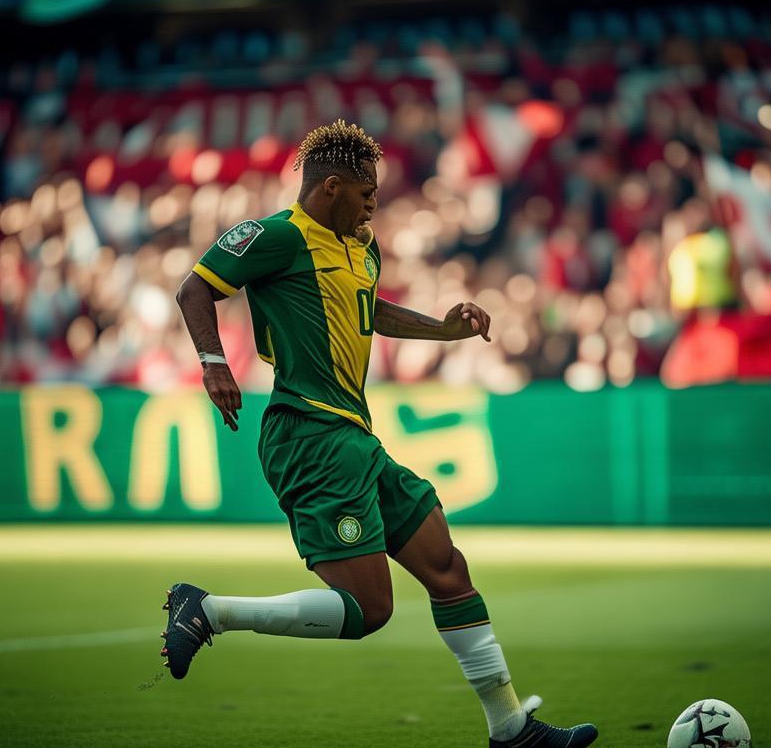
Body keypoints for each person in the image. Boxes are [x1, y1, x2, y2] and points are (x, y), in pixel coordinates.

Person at [167, 119, 598, 748]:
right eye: (366, 193)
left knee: (447, 569)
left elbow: (371, 311)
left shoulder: (362, 249)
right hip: (308, 434)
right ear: (331, 187)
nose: (374, 205)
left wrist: (442, 330)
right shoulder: (277, 236)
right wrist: (214, 364)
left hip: (354, 437)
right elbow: (194, 289)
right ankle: (207, 611)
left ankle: (511, 730)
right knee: (369, 609)